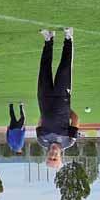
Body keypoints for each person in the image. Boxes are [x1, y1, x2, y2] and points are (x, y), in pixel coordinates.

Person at [36, 28, 79, 169]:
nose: (53, 155)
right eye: (55, 158)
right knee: (64, 68)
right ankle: (68, 37)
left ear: (47, 156)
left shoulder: (42, 140)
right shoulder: (69, 141)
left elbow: (39, 122)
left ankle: (48, 39)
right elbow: (75, 119)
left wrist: (45, 111)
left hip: (44, 98)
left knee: (44, 69)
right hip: (62, 98)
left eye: (50, 158)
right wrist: (65, 108)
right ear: (60, 157)